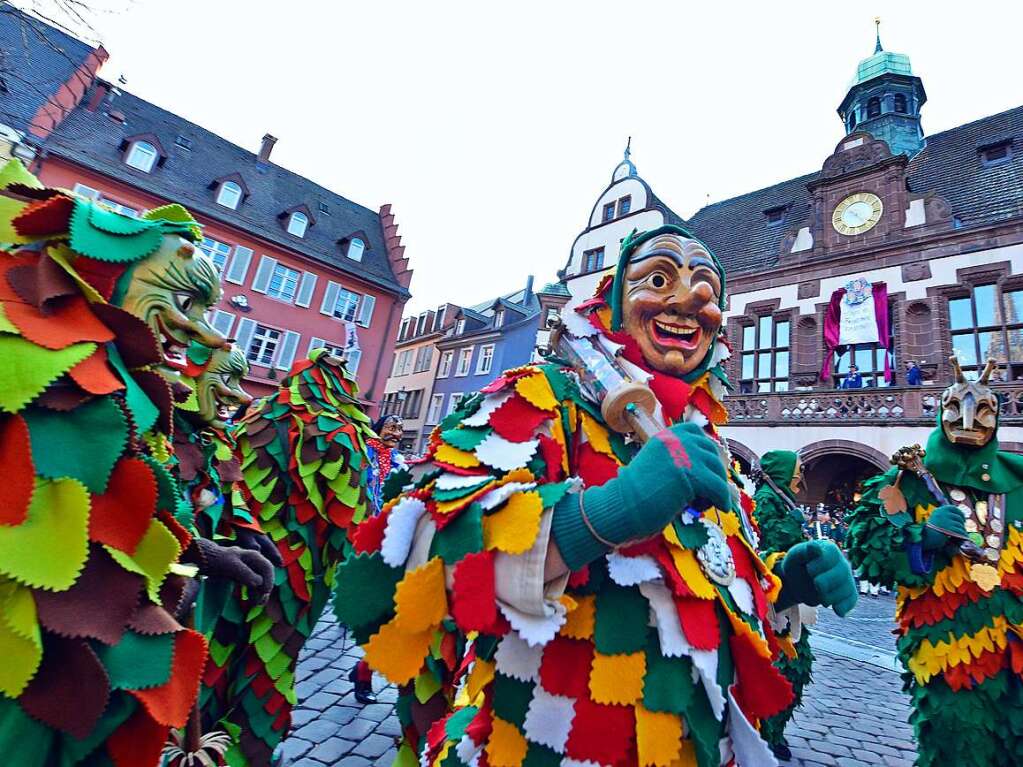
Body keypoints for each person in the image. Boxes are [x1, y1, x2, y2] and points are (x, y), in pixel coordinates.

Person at [336, 225, 857, 766]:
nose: (690, 299)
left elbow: (706, 577)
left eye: (707, 288)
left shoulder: (709, 441)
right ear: (611, 303)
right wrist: (610, 512)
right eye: (658, 278)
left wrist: (781, 583)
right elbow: (420, 556)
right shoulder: (544, 395)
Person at [0, 161, 276, 765]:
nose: (203, 333)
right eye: (183, 301)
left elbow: (132, 513)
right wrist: (205, 554)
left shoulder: (130, 385)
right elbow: (78, 525)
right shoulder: (56, 367)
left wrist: (227, 544)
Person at [846, 357, 1023, 766]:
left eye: (982, 411)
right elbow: (869, 551)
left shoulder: (1016, 481)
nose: (967, 422)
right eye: (955, 408)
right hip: (950, 642)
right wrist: (920, 540)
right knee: (960, 738)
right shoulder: (905, 481)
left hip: (1016, 633)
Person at [207, 349, 375, 766]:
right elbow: (351, 516)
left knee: (219, 646)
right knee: (272, 656)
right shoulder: (337, 431)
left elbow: (225, 477)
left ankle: (199, 739)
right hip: (296, 569)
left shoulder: (253, 417)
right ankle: (248, 750)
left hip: (237, 551)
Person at [752, 451, 815, 761]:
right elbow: (768, 543)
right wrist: (793, 531)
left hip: (791, 592)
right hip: (774, 594)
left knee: (795, 662)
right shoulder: (766, 500)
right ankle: (764, 731)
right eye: (796, 469)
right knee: (782, 660)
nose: (799, 476)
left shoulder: (783, 499)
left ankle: (774, 731)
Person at [348, 412, 410, 704]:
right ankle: (363, 673)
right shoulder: (363, 455)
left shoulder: (401, 463)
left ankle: (363, 670)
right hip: (361, 544)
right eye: (391, 427)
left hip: (390, 545)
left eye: (400, 429)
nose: (396, 433)